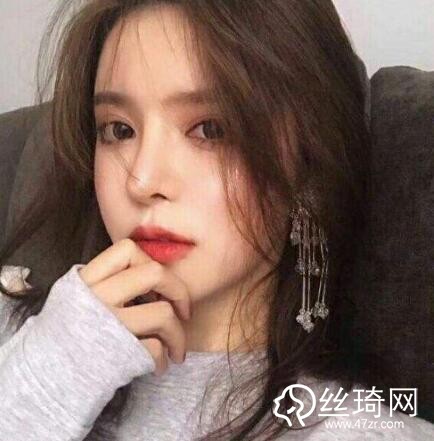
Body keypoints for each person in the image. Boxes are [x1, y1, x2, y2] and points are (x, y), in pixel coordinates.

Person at [0, 1, 433, 440]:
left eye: (210, 129)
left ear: (308, 166)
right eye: (119, 130)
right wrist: (52, 374)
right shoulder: (16, 321)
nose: (142, 180)